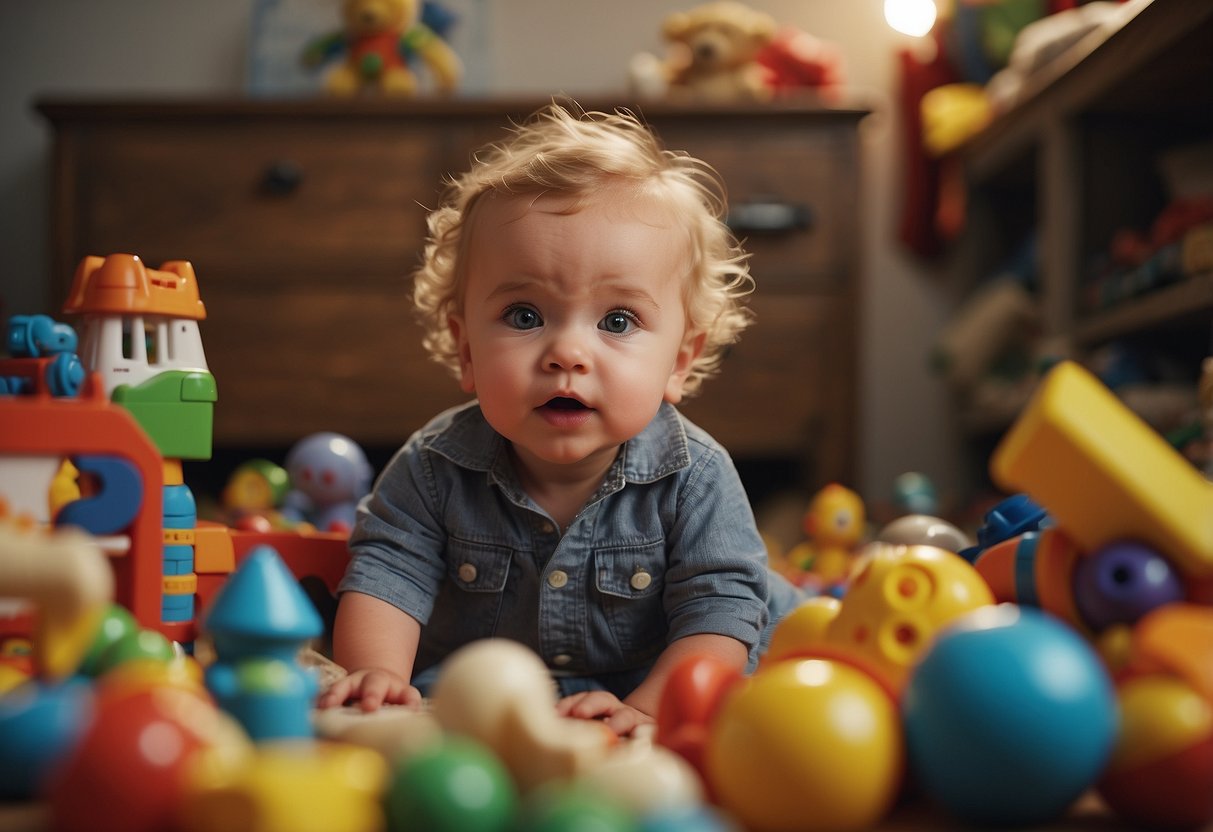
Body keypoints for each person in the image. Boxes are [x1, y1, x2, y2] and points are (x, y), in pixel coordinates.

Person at [317, 102, 802, 734]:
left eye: (617, 321)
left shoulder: (697, 476)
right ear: (466, 351)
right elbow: (386, 572)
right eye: (525, 316)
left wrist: (645, 712)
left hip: (648, 676)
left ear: (679, 362)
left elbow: (722, 613)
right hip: (486, 682)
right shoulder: (435, 466)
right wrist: (377, 673)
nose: (568, 353)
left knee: (792, 646)